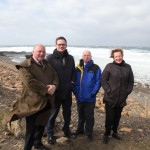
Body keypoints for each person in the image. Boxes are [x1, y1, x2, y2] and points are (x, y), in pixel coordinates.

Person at [5, 44, 59, 150]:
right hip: (32, 103)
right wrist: (47, 89)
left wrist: (54, 86)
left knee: (42, 124)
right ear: (33, 52)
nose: (42, 53)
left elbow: (55, 76)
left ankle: (38, 143)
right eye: (39, 51)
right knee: (31, 128)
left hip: (47, 101)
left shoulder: (46, 64)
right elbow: (30, 82)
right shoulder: (25, 65)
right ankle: (27, 147)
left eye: (43, 51)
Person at [46, 36, 76, 144]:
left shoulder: (71, 58)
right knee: (53, 113)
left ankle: (66, 130)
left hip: (67, 92)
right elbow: (46, 75)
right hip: (55, 92)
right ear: (56, 45)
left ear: (66, 45)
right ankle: (49, 134)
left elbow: (73, 72)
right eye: (59, 44)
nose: (61, 46)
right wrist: (51, 87)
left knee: (67, 113)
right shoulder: (49, 58)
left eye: (63, 44)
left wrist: (72, 83)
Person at [101, 48, 134, 144]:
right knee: (109, 118)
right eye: (116, 56)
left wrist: (127, 92)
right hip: (110, 98)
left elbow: (131, 81)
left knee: (117, 117)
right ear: (113, 57)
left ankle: (114, 132)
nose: (118, 58)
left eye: (119, 56)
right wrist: (108, 90)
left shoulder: (128, 67)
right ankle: (106, 134)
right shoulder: (109, 66)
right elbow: (103, 79)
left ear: (122, 56)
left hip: (121, 98)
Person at [73, 50, 101, 142]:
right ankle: (80, 130)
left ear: (91, 56)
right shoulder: (77, 67)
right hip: (80, 97)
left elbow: (98, 81)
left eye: (88, 55)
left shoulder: (95, 68)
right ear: (82, 56)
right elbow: (74, 82)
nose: (86, 57)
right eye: (84, 55)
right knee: (81, 115)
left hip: (90, 98)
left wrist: (93, 93)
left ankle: (89, 133)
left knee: (89, 116)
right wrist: (76, 92)